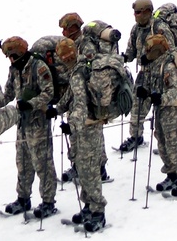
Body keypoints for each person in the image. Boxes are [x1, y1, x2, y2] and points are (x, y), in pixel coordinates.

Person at [57, 33, 121, 233]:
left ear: (75, 52)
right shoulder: (79, 69)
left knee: (90, 170)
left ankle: (97, 212)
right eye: (63, 56)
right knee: (83, 168)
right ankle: (88, 206)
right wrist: (57, 109)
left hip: (87, 127)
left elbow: (81, 106)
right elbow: (71, 96)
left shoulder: (78, 73)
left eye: (68, 54)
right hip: (83, 126)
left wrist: (72, 125)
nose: (67, 58)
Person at [0, 35, 58, 219]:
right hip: (22, 123)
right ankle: (23, 198)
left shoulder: (38, 67)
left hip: (38, 123)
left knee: (43, 163)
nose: (10, 60)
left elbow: (49, 92)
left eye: (12, 56)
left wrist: (32, 103)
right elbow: (8, 93)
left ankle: (48, 201)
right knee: (23, 161)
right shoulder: (14, 69)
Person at [139, 32, 177, 196]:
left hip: (172, 111)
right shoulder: (154, 65)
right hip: (161, 110)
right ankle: (171, 175)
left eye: (149, 48)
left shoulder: (168, 66)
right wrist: (145, 92)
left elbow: (173, 91)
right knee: (162, 144)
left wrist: (159, 98)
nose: (147, 51)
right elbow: (151, 86)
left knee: (174, 145)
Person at [119, 0, 158, 152]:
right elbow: (131, 51)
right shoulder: (136, 29)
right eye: (134, 13)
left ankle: (167, 141)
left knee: (162, 107)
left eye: (138, 12)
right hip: (144, 73)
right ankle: (136, 136)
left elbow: (168, 51)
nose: (135, 15)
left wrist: (150, 58)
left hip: (159, 73)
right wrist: (124, 58)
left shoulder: (158, 28)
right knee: (137, 106)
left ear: (148, 12)